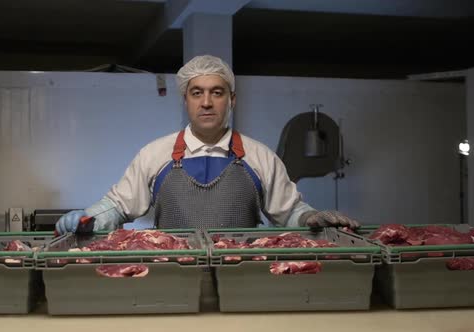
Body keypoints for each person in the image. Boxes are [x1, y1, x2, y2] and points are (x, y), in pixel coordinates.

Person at [56, 55, 360, 235]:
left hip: (242, 275)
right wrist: (88, 217)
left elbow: (289, 212)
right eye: (197, 93)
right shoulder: (154, 154)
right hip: (172, 273)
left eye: (216, 92)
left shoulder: (260, 156)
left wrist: (311, 217)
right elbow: (119, 206)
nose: (206, 102)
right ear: (185, 101)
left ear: (231, 100)